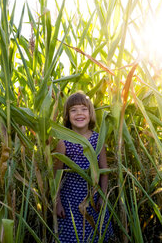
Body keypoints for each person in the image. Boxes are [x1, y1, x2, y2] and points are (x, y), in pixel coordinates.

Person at [54, 92, 114, 243]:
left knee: (95, 236)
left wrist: (102, 197)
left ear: (90, 113)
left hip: (94, 200)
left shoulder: (97, 140)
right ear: (67, 115)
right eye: (73, 110)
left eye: (83, 109)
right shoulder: (63, 142)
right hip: (70, 202)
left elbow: (104, 171)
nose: (79, 113)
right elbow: (56, 175)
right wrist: (57, 202)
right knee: (71, 236)